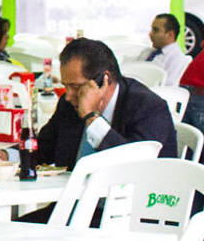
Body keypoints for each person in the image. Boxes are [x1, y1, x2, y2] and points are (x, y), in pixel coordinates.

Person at [38, 37, 177, 169]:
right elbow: (42, 150)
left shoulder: (148, 107)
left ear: (104, 79)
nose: (68, 96)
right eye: (66, 86)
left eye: (75, 87)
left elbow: (135, 167)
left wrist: (92, 118)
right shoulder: (69, 104)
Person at [140, 13, 192, 87]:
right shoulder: (148, 52)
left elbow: (168, 87)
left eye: (156, 30)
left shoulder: (177, 60)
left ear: (170, 34)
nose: (150, 34)